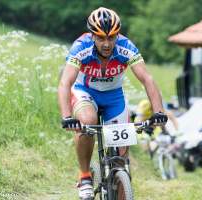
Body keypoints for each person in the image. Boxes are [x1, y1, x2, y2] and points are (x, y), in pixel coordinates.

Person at [58, 7, 168, 199]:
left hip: (113, 97)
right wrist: (67, 117)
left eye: (112, 37)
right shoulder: (80, 47)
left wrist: (158, 112)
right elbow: (65, 82)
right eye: (101, 38)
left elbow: (147, 80)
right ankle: (85, 176)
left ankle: (119, 182)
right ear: (92, 36)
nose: (107, 44)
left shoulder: (126, 46)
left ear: (118, 35)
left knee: (121, 159)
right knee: (88, 120)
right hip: (85, 92)